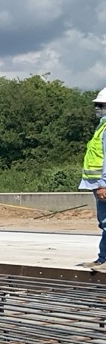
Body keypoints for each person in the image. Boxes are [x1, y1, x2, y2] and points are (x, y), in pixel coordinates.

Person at [78, 87, 106, 271]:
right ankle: (102, 259)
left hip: (103, 184)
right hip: (98, 185)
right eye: (97, 105)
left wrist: (103, 184)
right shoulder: (102, 126)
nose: (98, 108)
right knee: (105, 224)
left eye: (101, 105)